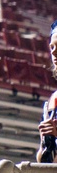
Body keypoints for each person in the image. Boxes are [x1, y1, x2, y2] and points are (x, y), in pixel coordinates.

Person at [37, 21, 57, 163]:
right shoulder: (53, 100)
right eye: (52, 47)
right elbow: (44, 164)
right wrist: (46, 143)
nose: (54, 52)